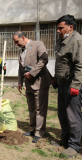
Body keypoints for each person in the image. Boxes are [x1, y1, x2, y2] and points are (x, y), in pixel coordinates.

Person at [52, 14, 82, 158]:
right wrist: (55, 78)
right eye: (57, 28)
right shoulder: (62, 40)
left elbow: (80, 65)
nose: (58, 31)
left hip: (72, 84)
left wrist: (76, 85)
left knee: (73, 116)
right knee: (62, 114)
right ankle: (65, 138)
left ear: (71, 27)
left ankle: (75, 146)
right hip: (62, 83)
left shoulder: (77, 40)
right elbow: (60, 62)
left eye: (60, 28)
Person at [13, 31, 52, 143]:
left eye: (17, 42)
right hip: (28, 84)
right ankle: (33, 128)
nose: (16, 44)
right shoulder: (20, 51)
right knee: (31, 108)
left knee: (40, 108)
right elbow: (20, 68)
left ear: (23, 37)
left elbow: (44, 59)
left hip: (40, 83)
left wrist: (32, 73)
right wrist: (20, 81)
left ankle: (39, 132)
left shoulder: (38, 44)